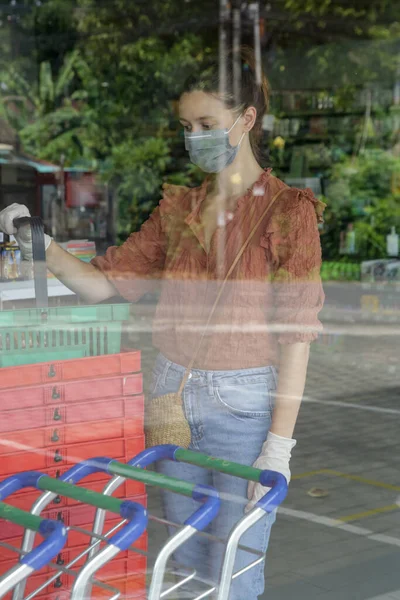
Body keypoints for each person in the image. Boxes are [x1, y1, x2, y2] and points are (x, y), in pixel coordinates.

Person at [0, 47, 325, 599]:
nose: (193, 136)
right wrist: (41, 243)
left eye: (206, 124)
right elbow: (103, 283)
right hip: (170, 392)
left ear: (245, 120)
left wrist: (280, 447)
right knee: (184, 560)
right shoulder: (179, 209)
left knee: (236, 567)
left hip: (241, 404)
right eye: (186, 125)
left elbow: (298, 336)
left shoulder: (288, 211)